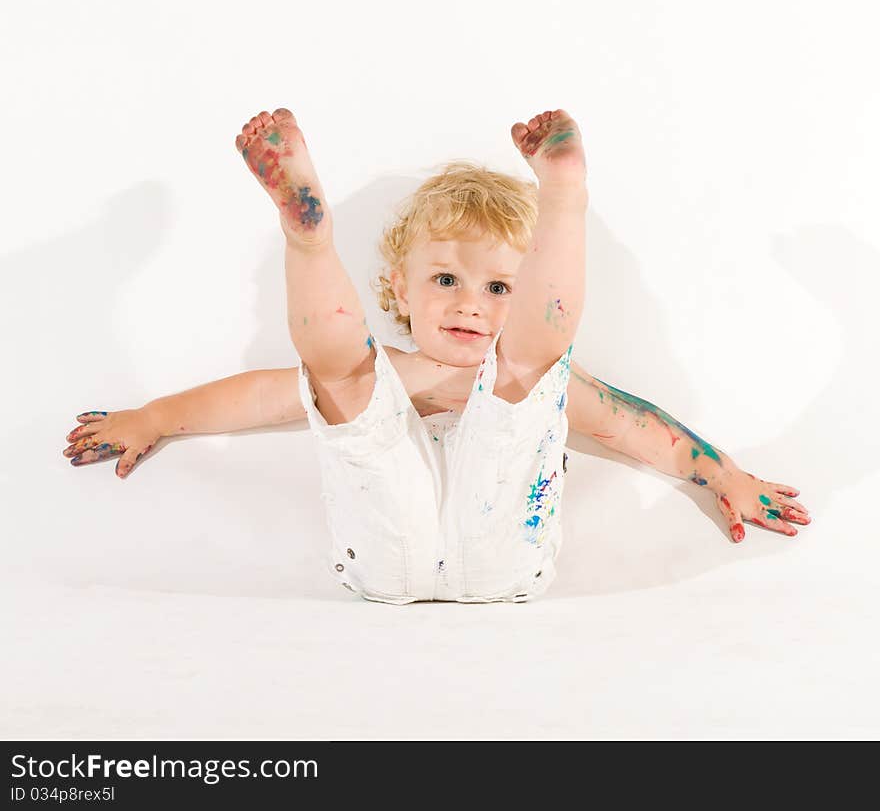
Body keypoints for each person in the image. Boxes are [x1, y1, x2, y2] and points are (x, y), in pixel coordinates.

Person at [63, 107, 810, 604]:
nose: (470, 304)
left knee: (532, 373)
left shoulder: (538, 376)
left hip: (509, 561)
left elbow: (642, 430)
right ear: (400, 288)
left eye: (497, 288)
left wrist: (727, 476)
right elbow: (256, 398)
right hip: (382, 561)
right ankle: (308, 239)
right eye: (446, 280)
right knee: (344, 377)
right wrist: (154, 416)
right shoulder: (385, 371)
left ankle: (563, 204)